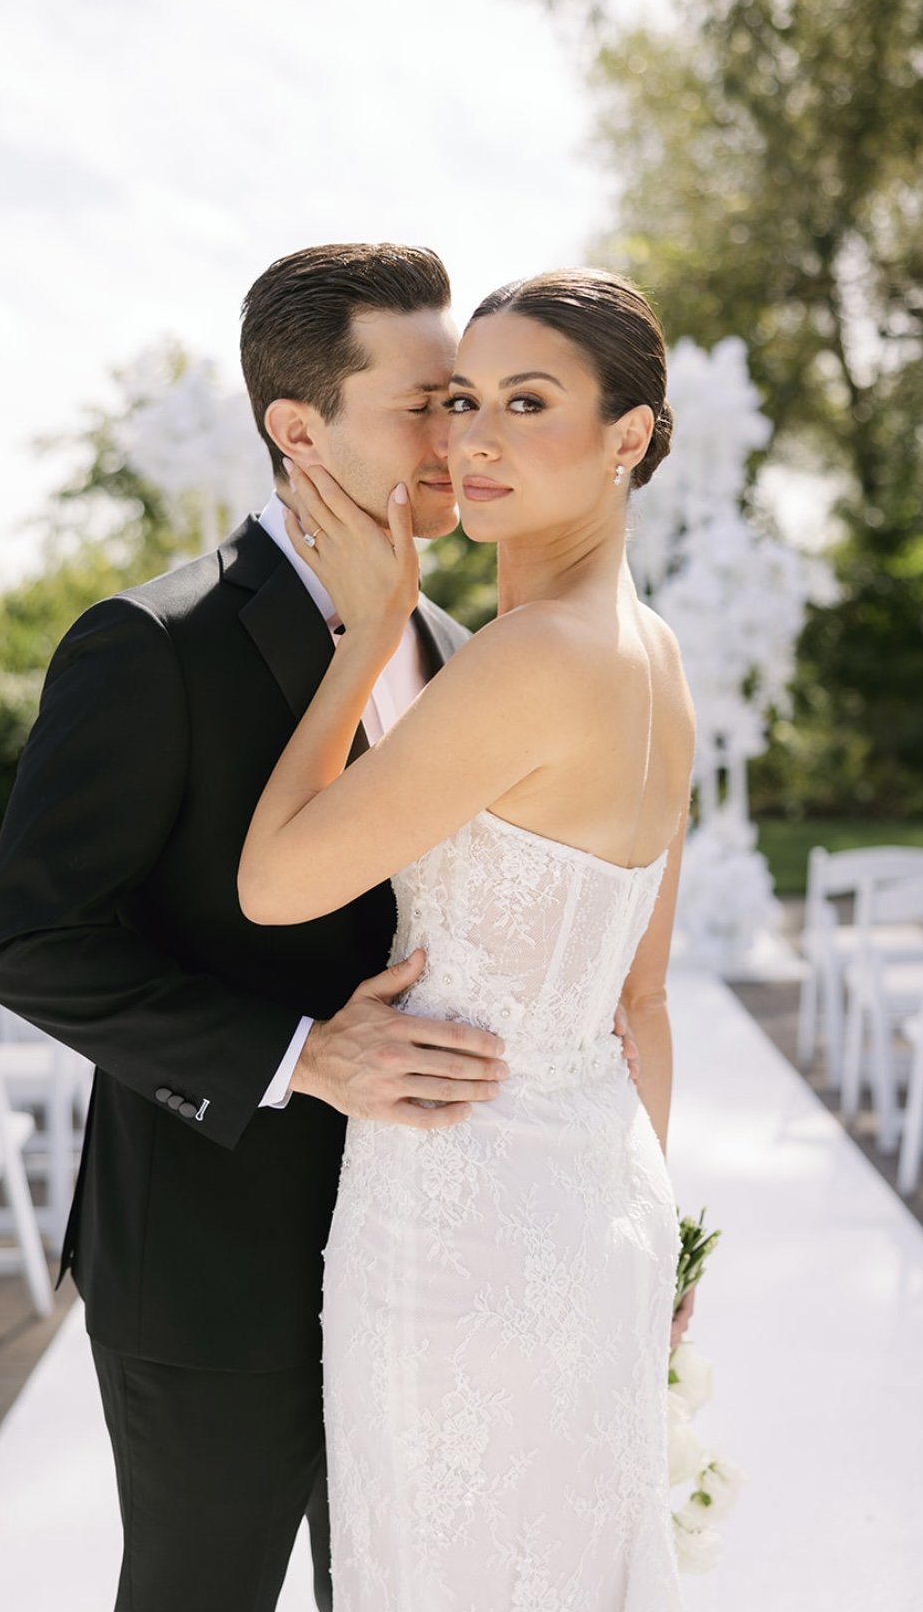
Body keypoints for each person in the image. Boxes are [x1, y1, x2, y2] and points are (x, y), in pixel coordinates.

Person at [0, 242, 642, 1612]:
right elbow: (33, 943)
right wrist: (295, 1056)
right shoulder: (150, 645)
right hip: (216, 1262)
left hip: (437, 1258)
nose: (457, 437)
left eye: (470, 399)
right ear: (300, 428)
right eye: (425, 404)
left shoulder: (466, 654)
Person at [239, 266, 695, 1610]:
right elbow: (646, 1001)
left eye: (528, 402)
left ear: (631, 437)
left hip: (459, 1224)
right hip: (602, 1208)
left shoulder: (527, 658)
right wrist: (655, 1244)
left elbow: (275, 883)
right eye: (462, 400)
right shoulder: (658, 656)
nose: (473, 442)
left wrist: (370, 628)